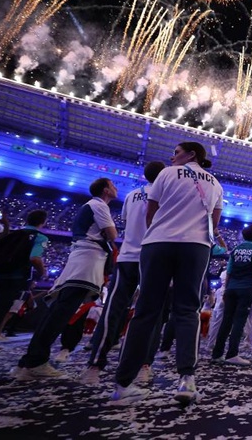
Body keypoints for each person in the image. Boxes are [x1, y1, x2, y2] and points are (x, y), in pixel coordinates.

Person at [110, 141, 223, 405]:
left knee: (145, 312)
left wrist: (163, 230)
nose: (172, 156)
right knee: (187, 310)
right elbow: (214, 223)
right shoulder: (215, 183)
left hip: (158, 243)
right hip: (195, 246)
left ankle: (122, 384)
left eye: (176, 152)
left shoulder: (166, 174)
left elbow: (151, 213)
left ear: (191, 154)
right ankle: (186, 380)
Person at [13, 179, 118, 379]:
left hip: (81, 256)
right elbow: (112, 234)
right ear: (105, 190)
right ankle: (35, 361)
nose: (116, 188)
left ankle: (29, 361)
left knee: (58, 310)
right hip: (88, 258)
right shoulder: (99, 204)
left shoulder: (90, 205)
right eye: (113, 185)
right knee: (62, 312)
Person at [80, 161, 166, 384]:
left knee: (113, 310)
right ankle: (143, 366)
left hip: (128, 255)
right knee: (151, 314)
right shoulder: (166, 192)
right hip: (153, 257)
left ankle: (94, 366)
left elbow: (127, 223)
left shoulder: (131, 195)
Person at [0, 209, 47, 364]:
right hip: (13, 279)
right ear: (43, 222)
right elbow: (35, 258)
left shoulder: (12, 233)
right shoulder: (39, 237)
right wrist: (43, 272)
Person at [211, 224, 252, 365]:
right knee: (239, 321)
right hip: (246, 289)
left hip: (231, 288)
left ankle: (217, 353)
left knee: (226, 321)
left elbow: (229, 271)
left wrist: (226, 289)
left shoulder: (235, 250)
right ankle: (232, 354)